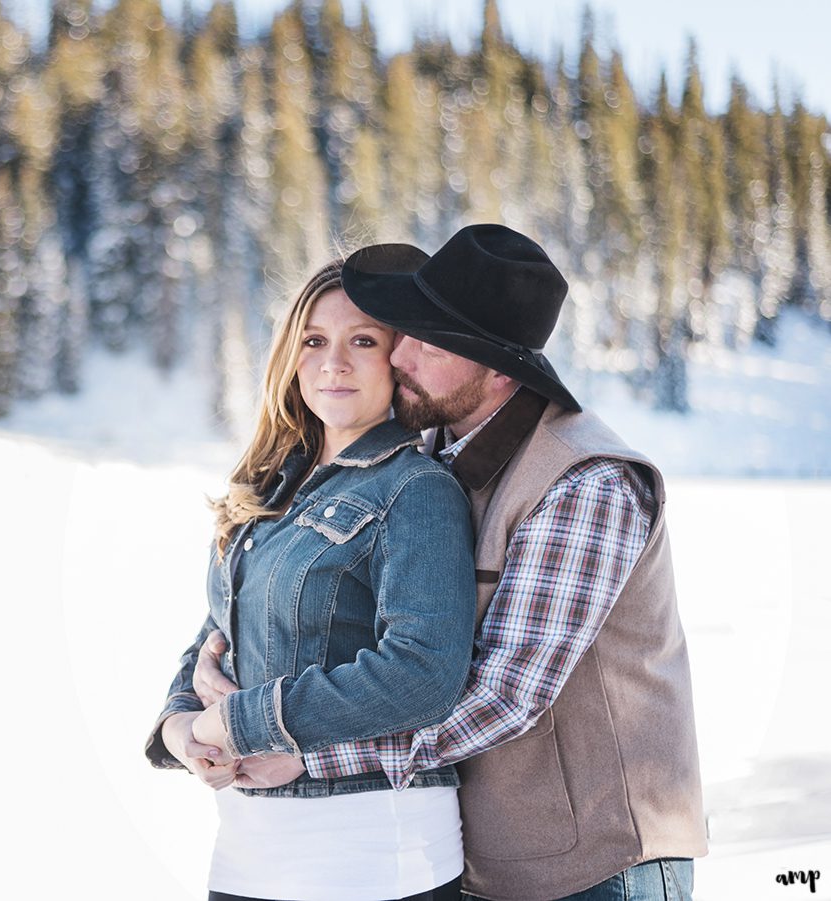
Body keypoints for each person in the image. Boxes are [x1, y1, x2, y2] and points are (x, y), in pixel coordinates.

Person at [190, 224, 708, 901]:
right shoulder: (436, 453)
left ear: (498, 370)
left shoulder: (584, 483)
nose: (399, 353)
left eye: (429, 343)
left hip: (600, 867)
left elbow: (505, 694)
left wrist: (304, 753)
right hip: (490, 858)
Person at [145, 249, 482, 901]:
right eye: (314, 340)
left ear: (400, 358)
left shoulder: (416, 488)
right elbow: (222, 626)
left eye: (363, 340)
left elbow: (426, 672)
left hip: (371, 853)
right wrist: (180, 726)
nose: (334, 362)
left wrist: (244, 721)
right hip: (250, 848)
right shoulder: (274, 486)